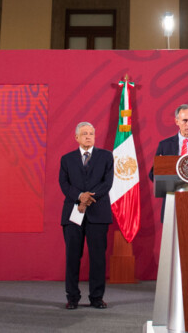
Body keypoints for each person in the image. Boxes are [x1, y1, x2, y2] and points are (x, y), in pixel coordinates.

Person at [58, 122, 114, 310]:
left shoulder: (106, 157)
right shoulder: (67, 159)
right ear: (77, 137)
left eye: (91, 133)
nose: (89, 137)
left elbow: (107, 183)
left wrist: (88, 198)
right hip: (73, 214)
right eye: (84, 134)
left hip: (98, 213)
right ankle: (72, 297)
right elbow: (64, 184)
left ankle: (96, 297)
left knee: (98, 257)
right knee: (72, 256)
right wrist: (79, 196)